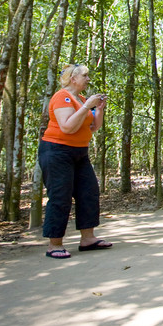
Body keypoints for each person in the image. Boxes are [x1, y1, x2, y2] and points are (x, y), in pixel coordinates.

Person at [39, 63, 111, 259]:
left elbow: (93, 127)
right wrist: (87, 106)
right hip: (57, 152)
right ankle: (54, 244)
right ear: (73, 79)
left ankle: (88, 238)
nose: (88, 79)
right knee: (60, 196)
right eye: (85, 76)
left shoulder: (81, 99)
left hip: (80, 152)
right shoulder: (62, 97)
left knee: (89, 192)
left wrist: (99, 109)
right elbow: (67, 127)